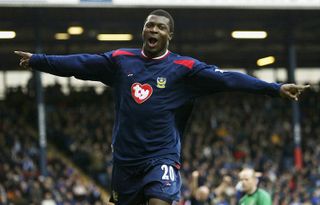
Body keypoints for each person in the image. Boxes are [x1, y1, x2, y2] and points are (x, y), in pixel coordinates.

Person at [15, 9, 309, 205]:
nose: (153, 29)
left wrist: (274, 89)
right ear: (143, 31)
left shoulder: (184, 68)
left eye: (160, 27)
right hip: (125, 161)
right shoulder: (120, 60)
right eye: (149, 25)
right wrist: (39, 60)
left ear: (170, 35)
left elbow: (228, 79)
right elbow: (79, 64)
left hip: (161, 157)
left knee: (159, 201)